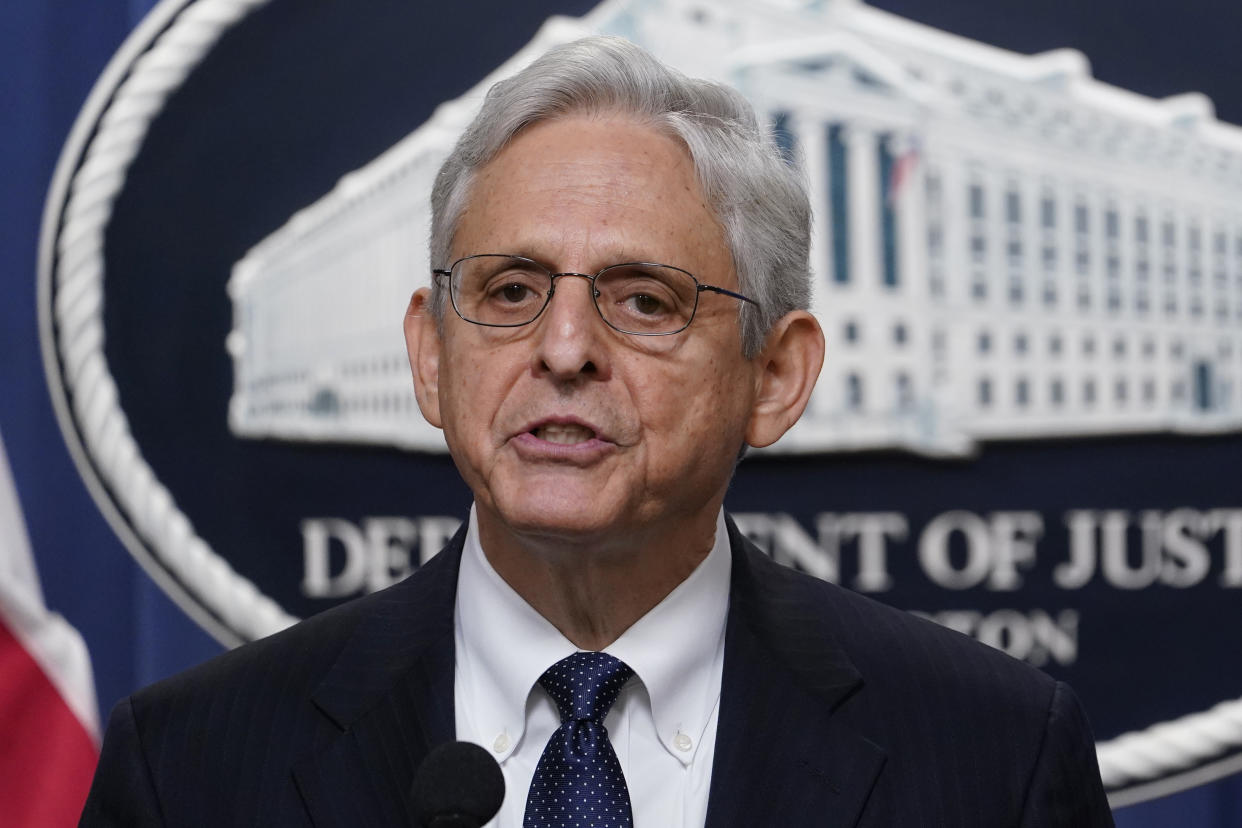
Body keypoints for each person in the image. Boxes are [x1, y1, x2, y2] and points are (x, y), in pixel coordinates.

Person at [80, 36, 1114, 827]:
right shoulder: (191, 771)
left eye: (645, 301)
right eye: (511, 289)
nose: (564, 348)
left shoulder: (994, 760)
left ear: (776, 375)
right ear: (432, 356)